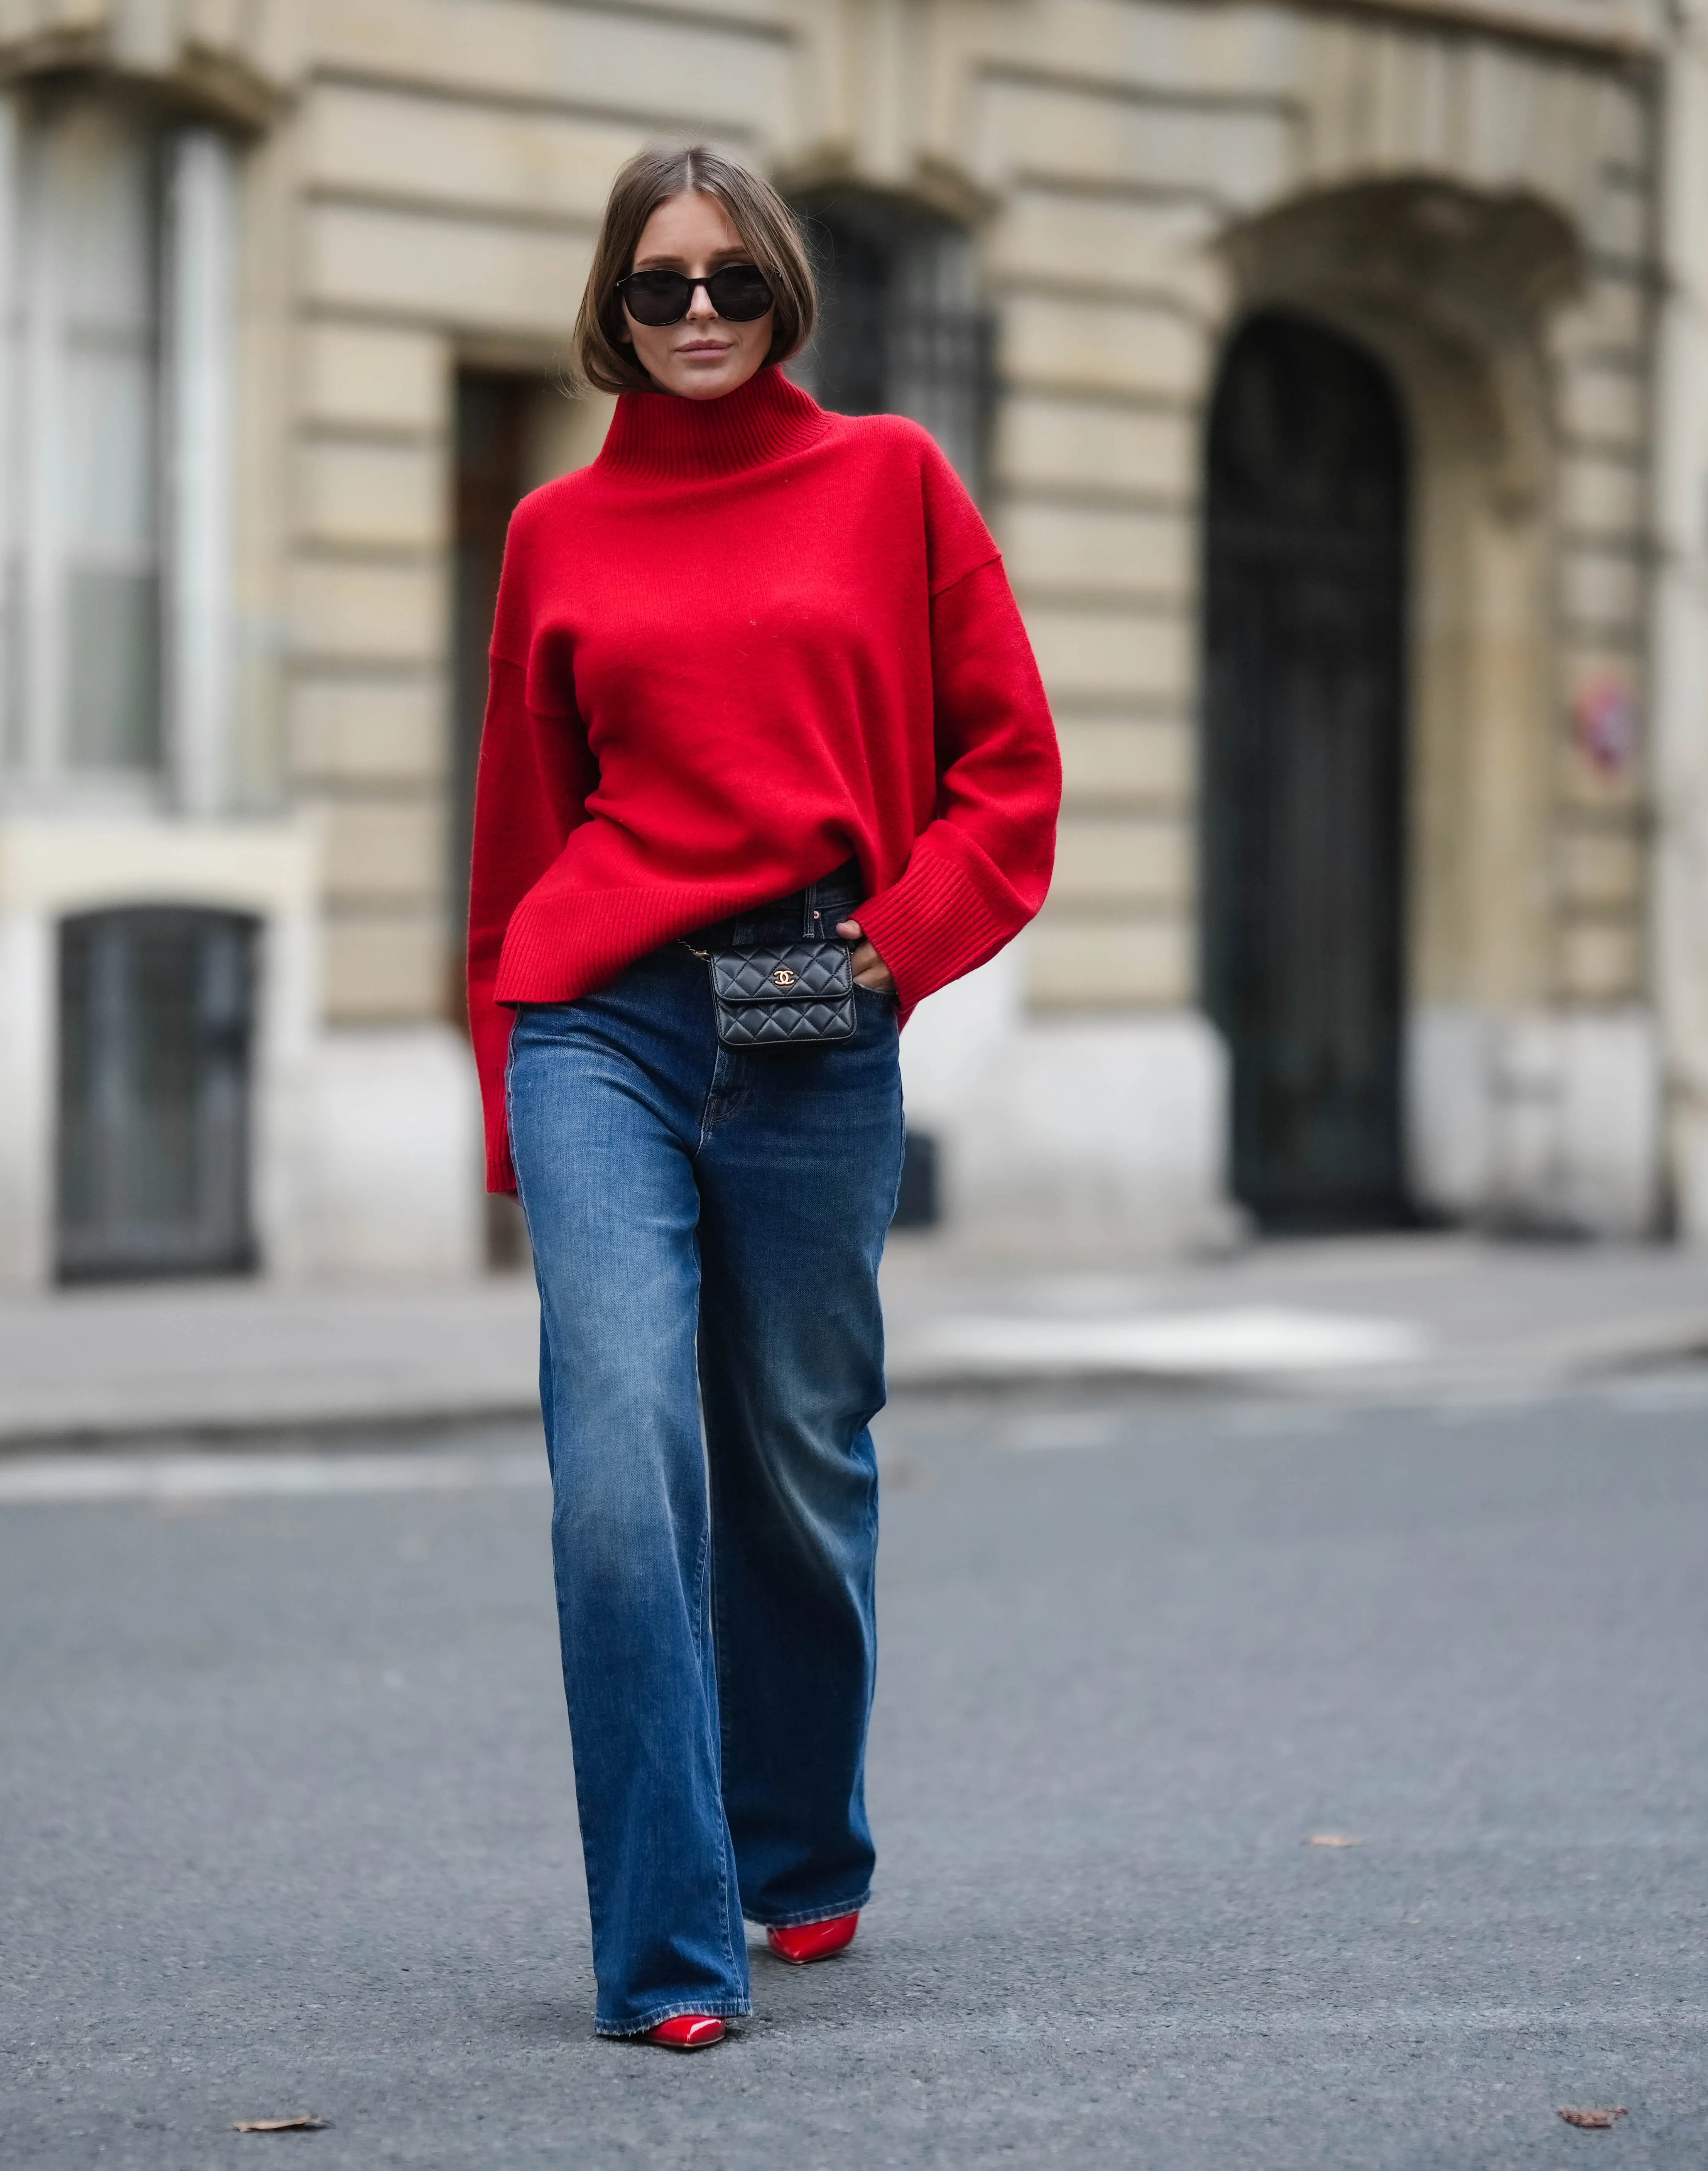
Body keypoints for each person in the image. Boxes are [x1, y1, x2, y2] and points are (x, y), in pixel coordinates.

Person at [465, 144, 1062, 2051]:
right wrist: (507, 1110)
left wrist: (893, 949)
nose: (700, 311)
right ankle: (664, 1944)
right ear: (614, 307)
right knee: (620, 1457)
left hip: (819, 1010)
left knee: (801, 1457)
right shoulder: (554, 532)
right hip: (601, 1028)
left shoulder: (893, 480)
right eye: (661, 284)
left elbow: (1011, 774)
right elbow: (514, 844)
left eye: (730, 277)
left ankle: (798, 1838)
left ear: (783, 288)